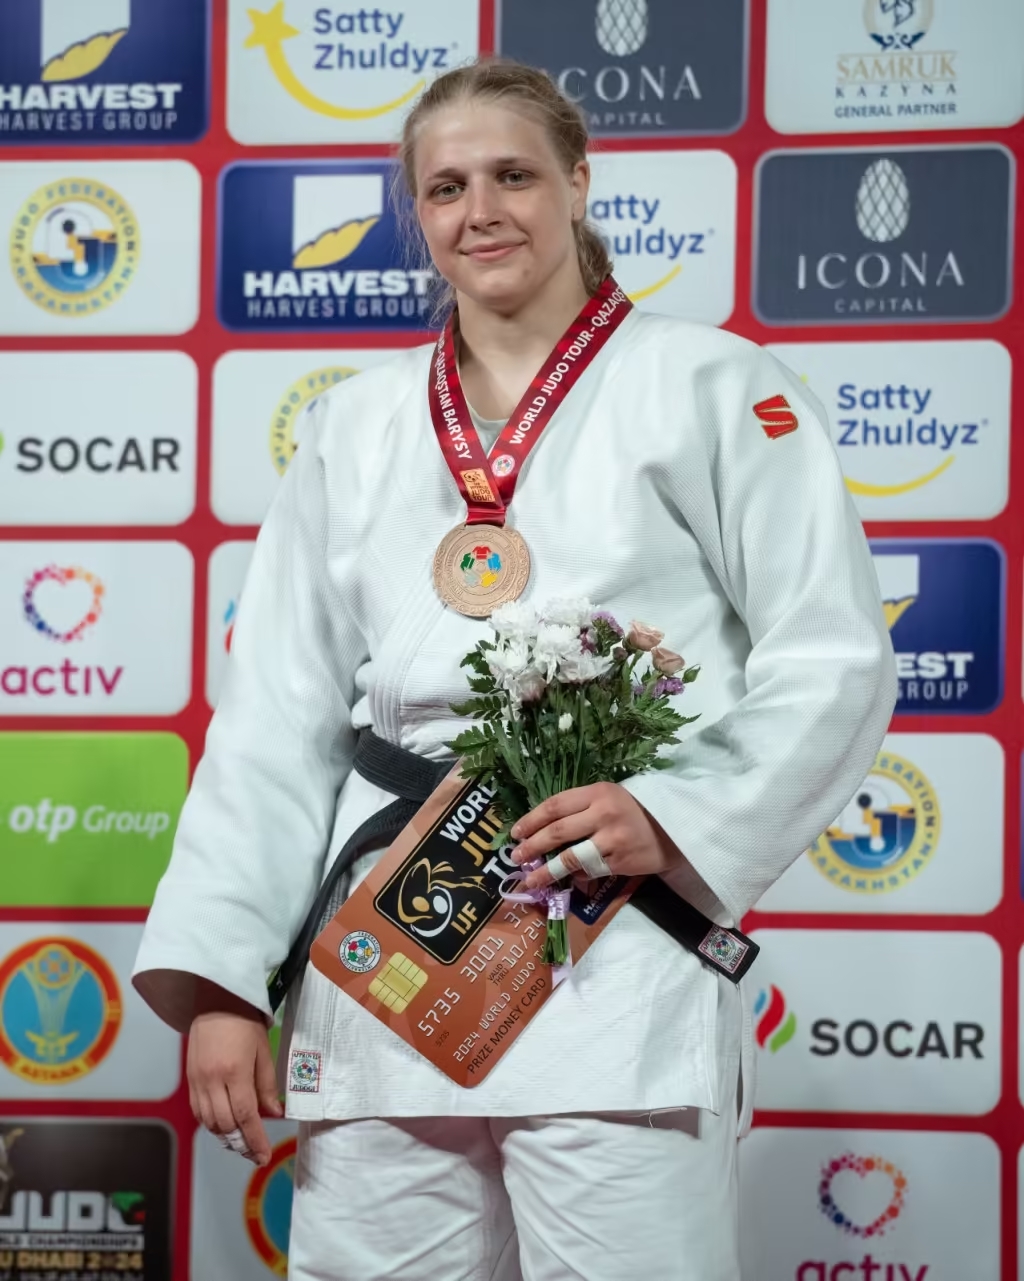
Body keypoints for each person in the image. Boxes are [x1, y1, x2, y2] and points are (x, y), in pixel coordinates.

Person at [133, 58, 896, 1281]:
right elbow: (276, 715)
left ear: (578, 184)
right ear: (417, 213)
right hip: (391, 936)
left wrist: (675, 812)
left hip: (609, 931)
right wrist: (227, 979)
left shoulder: (712, 385)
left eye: (512, 177)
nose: (479, 211)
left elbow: (832, 654)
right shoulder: (352, 425)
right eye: (445, 188)